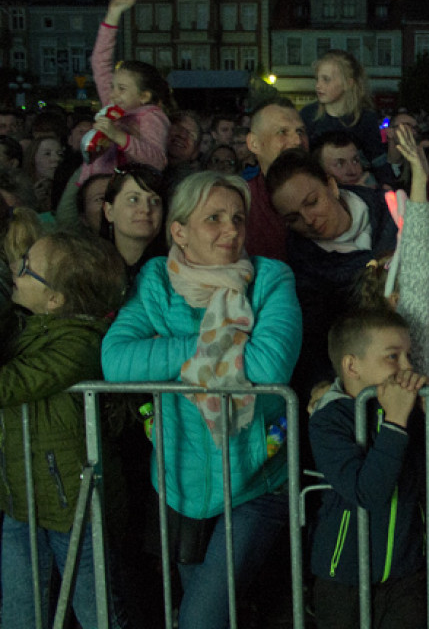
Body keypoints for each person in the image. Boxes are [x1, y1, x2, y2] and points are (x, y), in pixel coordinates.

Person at [101, 171, 302, 629]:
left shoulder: (270, 278)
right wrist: (213, 347)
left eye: (237, 218)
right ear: (179, 231)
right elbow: (116, 362)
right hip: (179, 485)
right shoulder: (155, 280)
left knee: (200, 619)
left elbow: (269, 365)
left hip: (256, 478)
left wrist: (164, 352)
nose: (231, 230)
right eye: (214, 218)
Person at [346, 124, 429, 624]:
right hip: (426, 498)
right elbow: (418, 261)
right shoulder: (411, 331)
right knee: (427, 599)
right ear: (399, 298)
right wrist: (420, 184)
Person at [308, 308, 429, 629]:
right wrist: (395, 422)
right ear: (352, 366)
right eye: (392, 357)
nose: (407, 367)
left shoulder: (411, 409)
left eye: (408, 356)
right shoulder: (329, 418)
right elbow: (368, 492)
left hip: (406, 571)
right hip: (343, 574)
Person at [1, 230, 131, 629]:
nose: (16, 270)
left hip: (75, 507)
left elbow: (9, 384)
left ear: (55, 300)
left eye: (27, 268)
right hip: (22, 502)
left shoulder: (80, 345)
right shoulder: (28, 327)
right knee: (19, 615)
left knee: (98, 616)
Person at [266, 148, 398, 403]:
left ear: (332, 186)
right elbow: (314, 338)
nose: (308, 219)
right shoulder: (302, 267)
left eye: (312, 202)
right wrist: (321, 385)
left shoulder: (389, 208)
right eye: (293, 218)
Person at [82, 0, 170, 185]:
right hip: (94, 184)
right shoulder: (112, 108)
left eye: (122, 89)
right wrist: (113, 14)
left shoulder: (151, 118)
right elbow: (100, 62)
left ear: (144, 96)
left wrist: (118, 136)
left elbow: (157, 161)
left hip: (126, 190)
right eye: (113, 87)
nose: (113, 94)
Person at [244, 97, 309, 260]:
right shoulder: (242, 201)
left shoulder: (330, 192)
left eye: (300, 131)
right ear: (254, 143)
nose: (297, 141)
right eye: (282, 132)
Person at [300, 49, 384, 164]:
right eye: (317, 79)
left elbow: (378, 160)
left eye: (326, 79)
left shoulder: (366, 118)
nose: (318, 85)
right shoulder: (308, 114)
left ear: (348, 83)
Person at [99, 164, 167, 287]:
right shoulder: (89, 267)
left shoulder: (175, 270)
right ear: (109, 211)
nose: (146, 209)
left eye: (155, 201)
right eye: (133, 199)